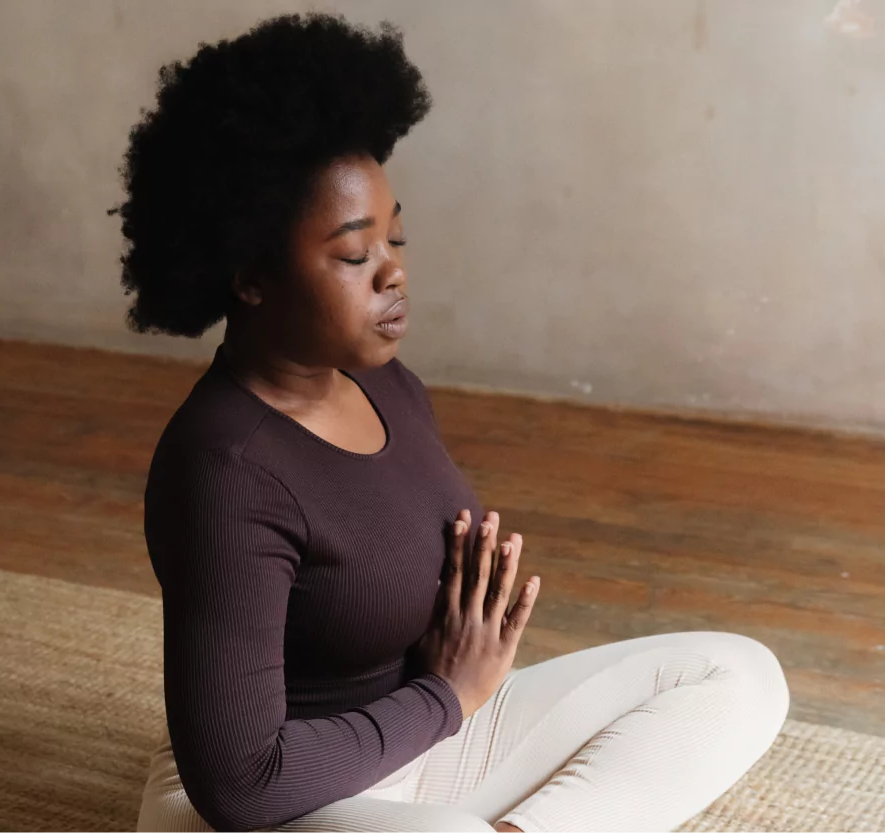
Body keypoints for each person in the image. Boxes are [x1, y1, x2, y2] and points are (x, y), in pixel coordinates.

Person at [110, 12, 790, 833]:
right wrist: (449, 692)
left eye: (396, 239)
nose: (394, 271)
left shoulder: (388, 386)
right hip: (264, 804)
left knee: (735, 673)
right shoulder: (223, 468)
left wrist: (451, 694)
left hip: (419, 743)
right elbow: (244, 782)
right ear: (251, 273)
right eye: (357, 256)